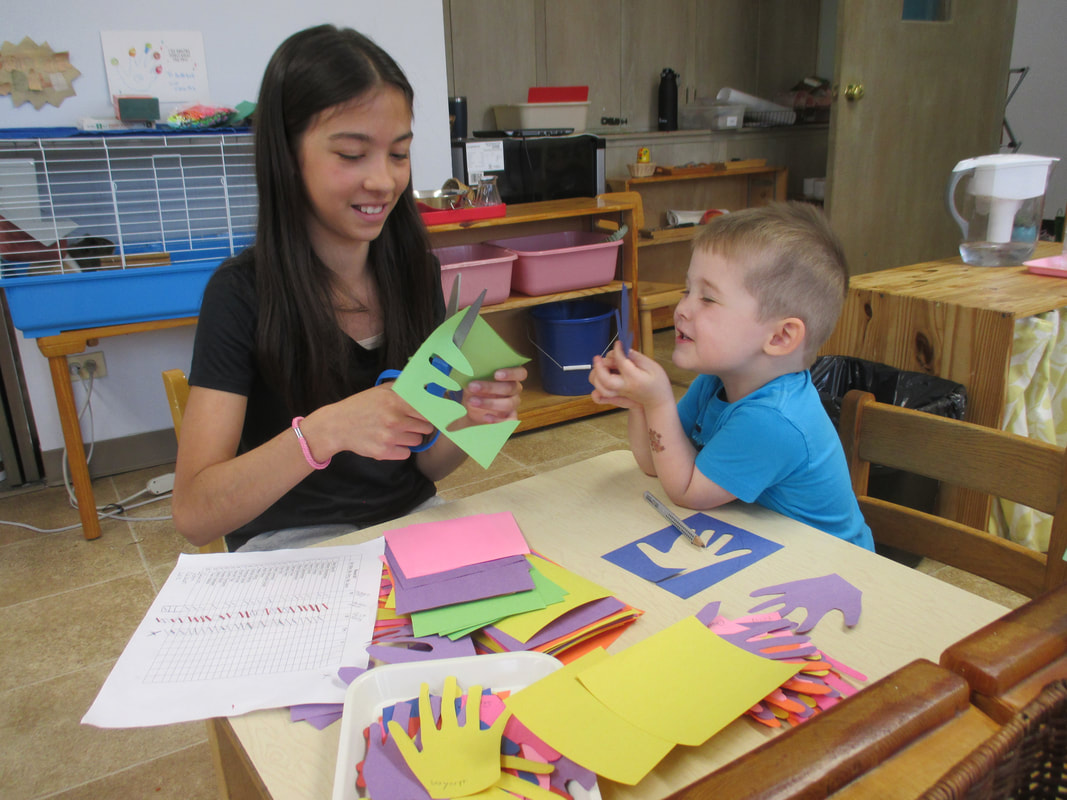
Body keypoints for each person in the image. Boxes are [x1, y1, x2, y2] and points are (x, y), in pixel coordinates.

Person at [172, 25, 526, 552]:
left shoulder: (414, 273)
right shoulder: (240, 294)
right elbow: (195, 514)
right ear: (288, 156)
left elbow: (425, 462)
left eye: (398, 154)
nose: (383, 181)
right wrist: (324, 432)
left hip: (406, 528)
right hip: (290, 549)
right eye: (351, 154)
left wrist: (471, 420)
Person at [589, 202, 873, 550]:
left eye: (707, 298)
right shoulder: (718, 380)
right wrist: (640, 405)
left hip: (831, 571)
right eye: (686, 290)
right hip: (767, 547)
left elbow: (686, 491)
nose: (682, 308)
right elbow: (655, 465)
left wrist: (659, 400)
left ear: (780, 337)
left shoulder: (773, 419)